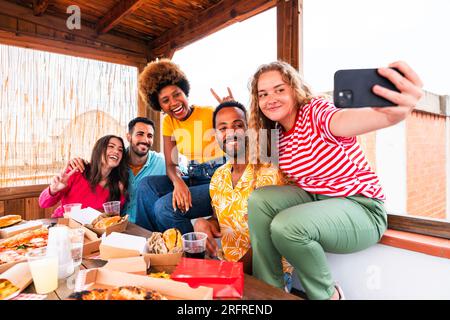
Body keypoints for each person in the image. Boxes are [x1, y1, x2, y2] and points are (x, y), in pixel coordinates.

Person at [247, 60, 423, 300]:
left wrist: (386, 116)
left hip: (360, 206)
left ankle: (328, 295)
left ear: (295, 90)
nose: (271, 98)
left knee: (286, 226)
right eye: (263, 94)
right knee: (260, 199)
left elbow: (342, 121)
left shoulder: (315, 110)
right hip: (316, 198)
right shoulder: (275, 134)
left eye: (280, 89)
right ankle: (271, 292)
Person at [193, 100, 293, 285]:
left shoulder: (268, 172)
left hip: (267, 276)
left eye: (237, 125)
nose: (230, 133)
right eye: (223, 128)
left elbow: (270, 239)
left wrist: (231, 275)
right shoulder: (218, 176)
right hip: (229, 270)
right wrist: (203, 224)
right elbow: (219, 219)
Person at [135, 59, 226, 233]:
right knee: (145, 185)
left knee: (164, 207)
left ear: (185, 92)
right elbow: (171, 164)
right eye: (165, 100)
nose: (174, 103)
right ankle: (148, 240)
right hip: (193, 178)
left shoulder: (210, 113)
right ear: (159, 105)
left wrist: (229, 109)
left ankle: (193, 252)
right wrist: (178, 182)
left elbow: (238, 141)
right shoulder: (168, 122)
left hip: (218, 181)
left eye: (177, 94)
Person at [68, 117, 166, 223]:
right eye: (140, 134)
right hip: (119, 225)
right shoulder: (115, 162)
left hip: (148, 226)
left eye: (150, 136)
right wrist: (79, 162)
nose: (145, 140)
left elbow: (179, 167)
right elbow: (98, 167)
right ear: (129, 137)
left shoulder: (161, 162)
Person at [39, 135, 129, 218]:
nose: (117, 151)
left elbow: (111, 220)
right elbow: (43, 203)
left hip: (93, 233)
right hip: (64, 227)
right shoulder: (77, 171)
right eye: (111, 146)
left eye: (120, 150)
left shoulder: (118, 186)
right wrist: (53, 189)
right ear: (99, 150)